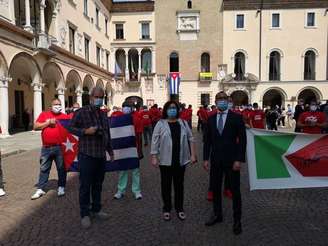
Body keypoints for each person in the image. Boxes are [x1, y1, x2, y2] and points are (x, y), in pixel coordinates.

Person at [69, 87, 114, 229]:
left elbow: (107, 133)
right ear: (91, 97)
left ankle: (96, 209)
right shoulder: (81, 112)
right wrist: (85, 131)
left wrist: (110, 151)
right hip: (87, 154)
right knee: (85, 186)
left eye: (102, 96)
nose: (99, 99)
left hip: (101, 155)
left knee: (98, 185)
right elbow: (70, 127)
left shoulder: (103, 114)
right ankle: (85, 214)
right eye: (97, 96)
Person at [203, 91, 246, 235]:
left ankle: (237, 220)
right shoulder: (210, 118)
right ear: (215, 102)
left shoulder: (237, 118)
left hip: (232, 161)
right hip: (215, 160)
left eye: (223, 99)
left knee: (235, 190)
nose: (221, 101)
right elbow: (207, 141)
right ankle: (217, 214)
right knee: (215, 189)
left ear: (228, 101)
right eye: (218, 99)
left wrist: (239, 159)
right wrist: (205, 159)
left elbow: (242, 141)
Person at [151, 101, 197, 221]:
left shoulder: (183, 123)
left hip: (180, 160)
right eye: (170, 108)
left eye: (174, 108)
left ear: (177, 110)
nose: (172, 110)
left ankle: (179, 208)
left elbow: (191, 138)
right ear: (165, 110)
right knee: (166, 186)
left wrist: (193, 154)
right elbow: (155, 140)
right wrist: (154, 156)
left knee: (179, 186)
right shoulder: (160, 124)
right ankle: (166, 208)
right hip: (165, 161)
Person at [31, 98, 69, 200]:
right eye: (55, 104)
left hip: (60, 147)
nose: (58, 106)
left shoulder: (64, 117)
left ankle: (61, 186)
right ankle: (40, 188)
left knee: (61, 169)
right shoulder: (44, 115)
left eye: (59, 104)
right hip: (46, 148)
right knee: (44, 169)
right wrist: (47, 123)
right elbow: (35, 126)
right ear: (51, 106)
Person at [113, 102, 143, 200]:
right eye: (124, 107)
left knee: (135, 170)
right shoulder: (118, 118)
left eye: (127, 107)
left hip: (134, 147)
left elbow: (139, 136)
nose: (125, 108)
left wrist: (140, 150)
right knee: (122, 170)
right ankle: (121, 190)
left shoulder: (136, 118)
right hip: (122, 148)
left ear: (131, 109)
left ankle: (136, 191)